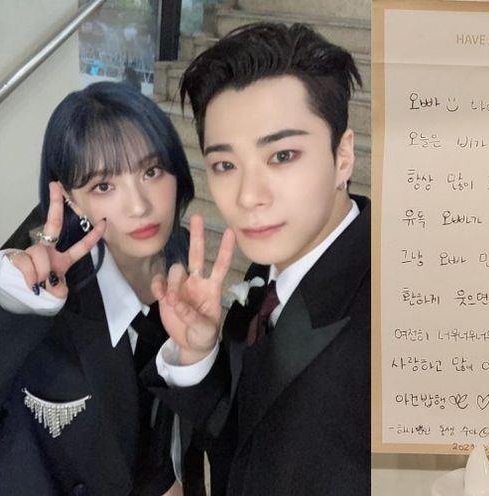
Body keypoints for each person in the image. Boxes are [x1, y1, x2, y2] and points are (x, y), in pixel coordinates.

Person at [144, 23, 371, 495]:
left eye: (282, 155)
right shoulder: (269, 281)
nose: (248, 196)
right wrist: (199, 355)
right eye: (225, 165)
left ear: (343, 156)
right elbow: (250, 436)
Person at [0, 81, 202, 495]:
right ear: (71, 200)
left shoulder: (178, 248)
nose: (140, 205)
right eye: (104, 186)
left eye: (151, 171)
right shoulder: (40, 300)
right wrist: (11, 302)